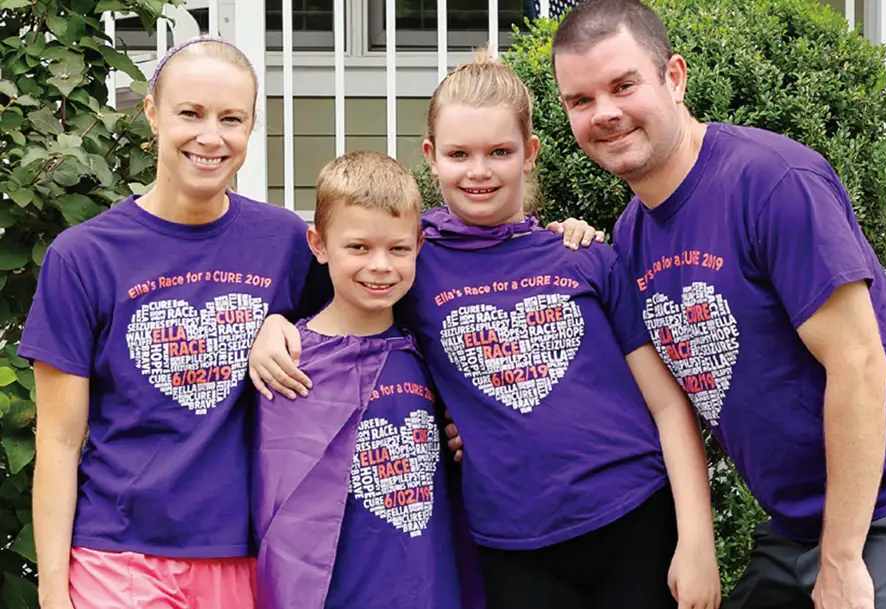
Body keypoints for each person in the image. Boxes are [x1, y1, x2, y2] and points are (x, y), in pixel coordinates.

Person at [250, 50, 721, 609]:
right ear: (431, 156)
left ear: (530, 154)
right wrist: (270, 324)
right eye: (459, 154)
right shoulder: (410, 258)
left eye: (499, 152)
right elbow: (333, 300)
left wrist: (697, 542)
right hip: (511, 547)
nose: (479, 171)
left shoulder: (583, 256)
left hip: (635, 517)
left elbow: (669, 407)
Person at [549, 1, 886, 608]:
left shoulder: (773, 182)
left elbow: (860, 365)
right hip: (795, 530)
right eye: (581, 100)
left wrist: (842, 561)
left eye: (623, 85)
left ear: (675, 78)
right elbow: (664, 398)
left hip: (884, 510)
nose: (605, 113)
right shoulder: (631, 235)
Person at [19, 36, 326, 609]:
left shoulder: (285, 241)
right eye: (191, 113)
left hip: (246, 556)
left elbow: (358, 333)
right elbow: (59, 441)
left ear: (251, 126)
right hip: (118, 558)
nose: (211, 137)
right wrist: (53, 591)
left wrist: (279, 322)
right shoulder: (83, 256)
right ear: (153, 114)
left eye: (231, 118)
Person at [253, 150, 482, 609]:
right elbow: (276, 505)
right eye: (358, 247)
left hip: (429, 588)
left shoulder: (428, 351)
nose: (380, 265)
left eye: (397, 248)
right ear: (318, 245)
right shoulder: (286, 360)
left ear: (418, 245)